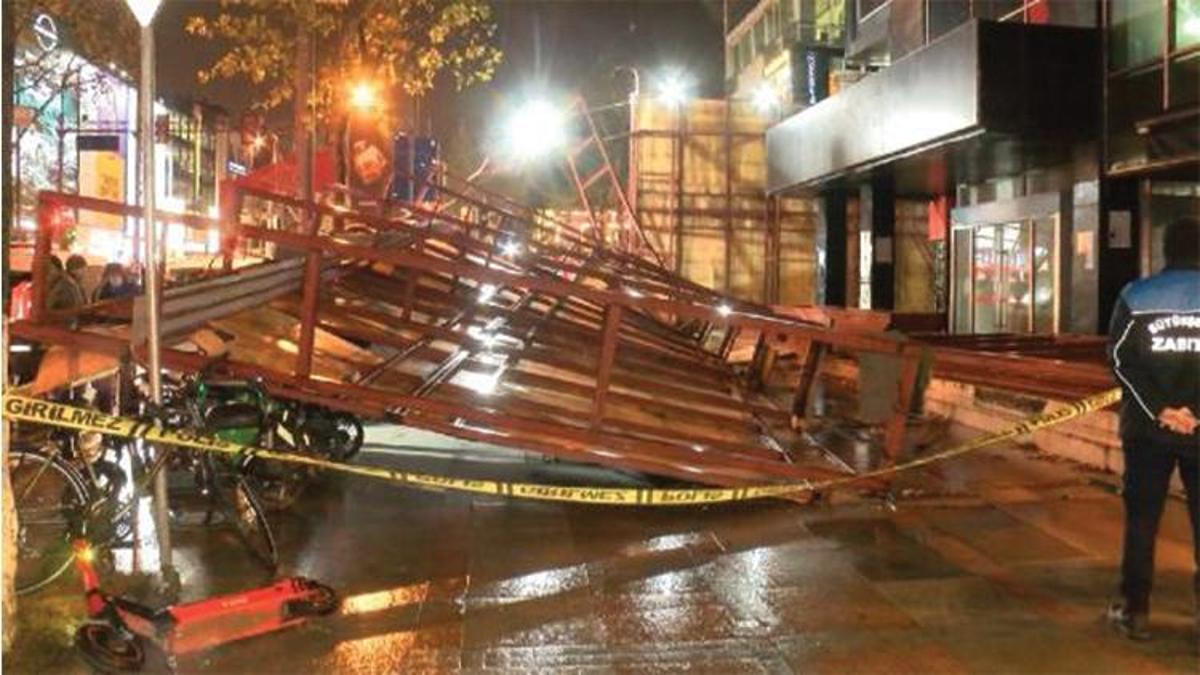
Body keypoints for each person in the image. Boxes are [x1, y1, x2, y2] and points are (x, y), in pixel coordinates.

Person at [1106, 216, 1200, 642]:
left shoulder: (1137, 295)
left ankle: (1135, 608)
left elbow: (1122, 362)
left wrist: (1161, 409)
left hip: (1146, 432)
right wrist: (1194, 413)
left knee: (1142, 520)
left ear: (1167, 250)